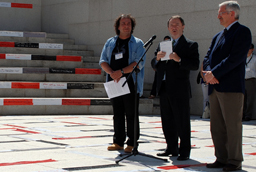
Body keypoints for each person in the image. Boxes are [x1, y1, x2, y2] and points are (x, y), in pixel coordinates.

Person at [203, 1, 251, 171]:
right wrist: (208, 73)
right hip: (215, 87)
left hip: (231, 87)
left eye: (221, 12)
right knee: (216, 126)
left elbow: (235, 58)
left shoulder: (242, 32)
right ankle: (221, 157)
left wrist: (214, 73)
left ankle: (234, 160)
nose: (218, 16)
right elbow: (208, 56)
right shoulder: (218, 35)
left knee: (232, 125)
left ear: (232, 14)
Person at [151, 15, 199, 161]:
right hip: (164, 87)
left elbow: (194, 65)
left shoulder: (190, 44)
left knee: (182, 121)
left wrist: (179, 59)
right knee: (167, 121)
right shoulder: (163, 45)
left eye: (177, 24)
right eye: (171, 25)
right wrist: (157, 59)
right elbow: (154, 65)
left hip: (180, 89)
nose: (174, 27)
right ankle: (171, 148)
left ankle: (184, 151)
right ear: (168, 28)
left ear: (183, 27)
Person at [99, 14, 146, 153]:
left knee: (131, 113)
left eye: (129, 24)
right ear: (118, 26)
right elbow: (103, 61)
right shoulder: (110, 42)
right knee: (117, 113)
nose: (126, 26)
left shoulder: (137, 43)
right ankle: (118, 141)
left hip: (130, 81)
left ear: (132, 27)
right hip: (114, 81)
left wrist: (120, 72)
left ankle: (132, 142)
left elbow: (139, 62)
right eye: (123, 23)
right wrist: (112, 73)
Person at [243, 43, 256, 121]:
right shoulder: (242, 58)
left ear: (252, 50)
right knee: (242, 99)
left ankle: (248, 115)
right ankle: (242, 114)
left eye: (249, 49)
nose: (248, 50)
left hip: (251, 80)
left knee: (250, 99)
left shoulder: (254, 59)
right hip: (242, 80)